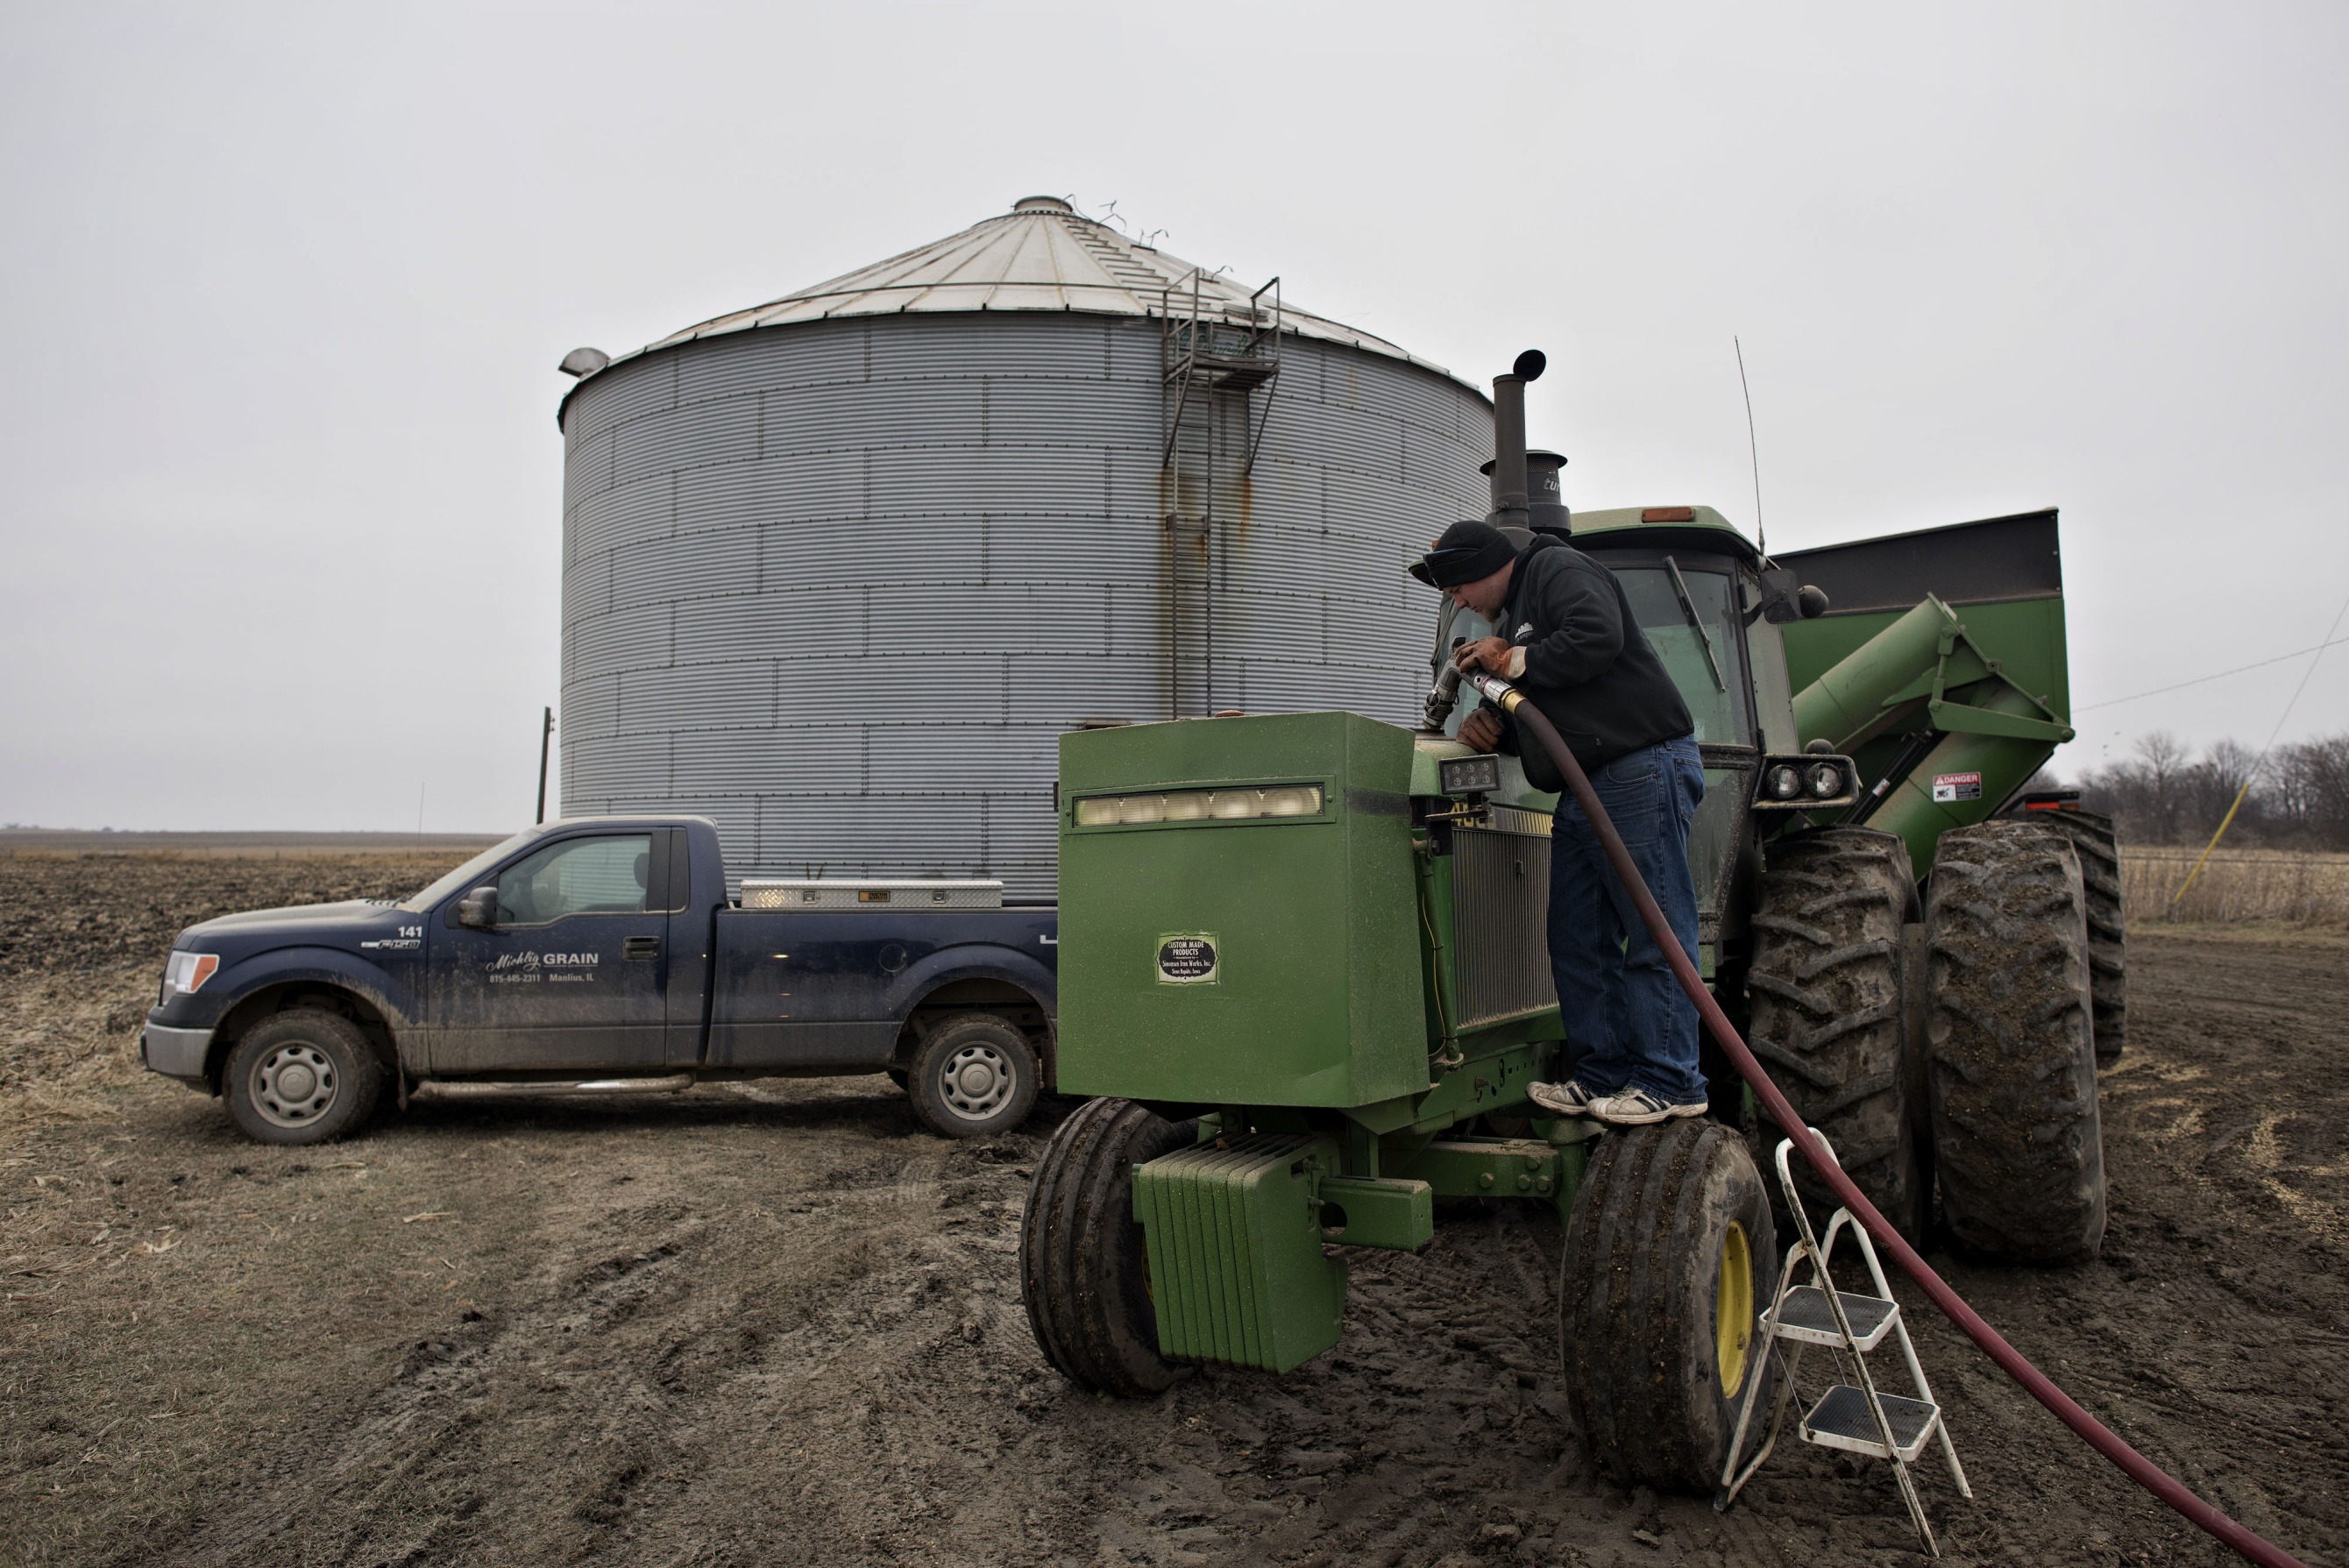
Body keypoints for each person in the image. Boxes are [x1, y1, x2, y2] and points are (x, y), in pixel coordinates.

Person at [1415, 518, 1708, 1126]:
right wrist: (1498, 736)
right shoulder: (1514, 615)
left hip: (1638, 764)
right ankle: (1600, 1073)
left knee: (1651, 925)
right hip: (1585, 781)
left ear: (1479, 565)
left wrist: (1513, 658)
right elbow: (1559, 713)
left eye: (1456, 588)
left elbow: (1597, 637)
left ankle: (1671, 1078)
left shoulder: (1554, 569)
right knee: (1577, 934)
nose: (1457, 602)